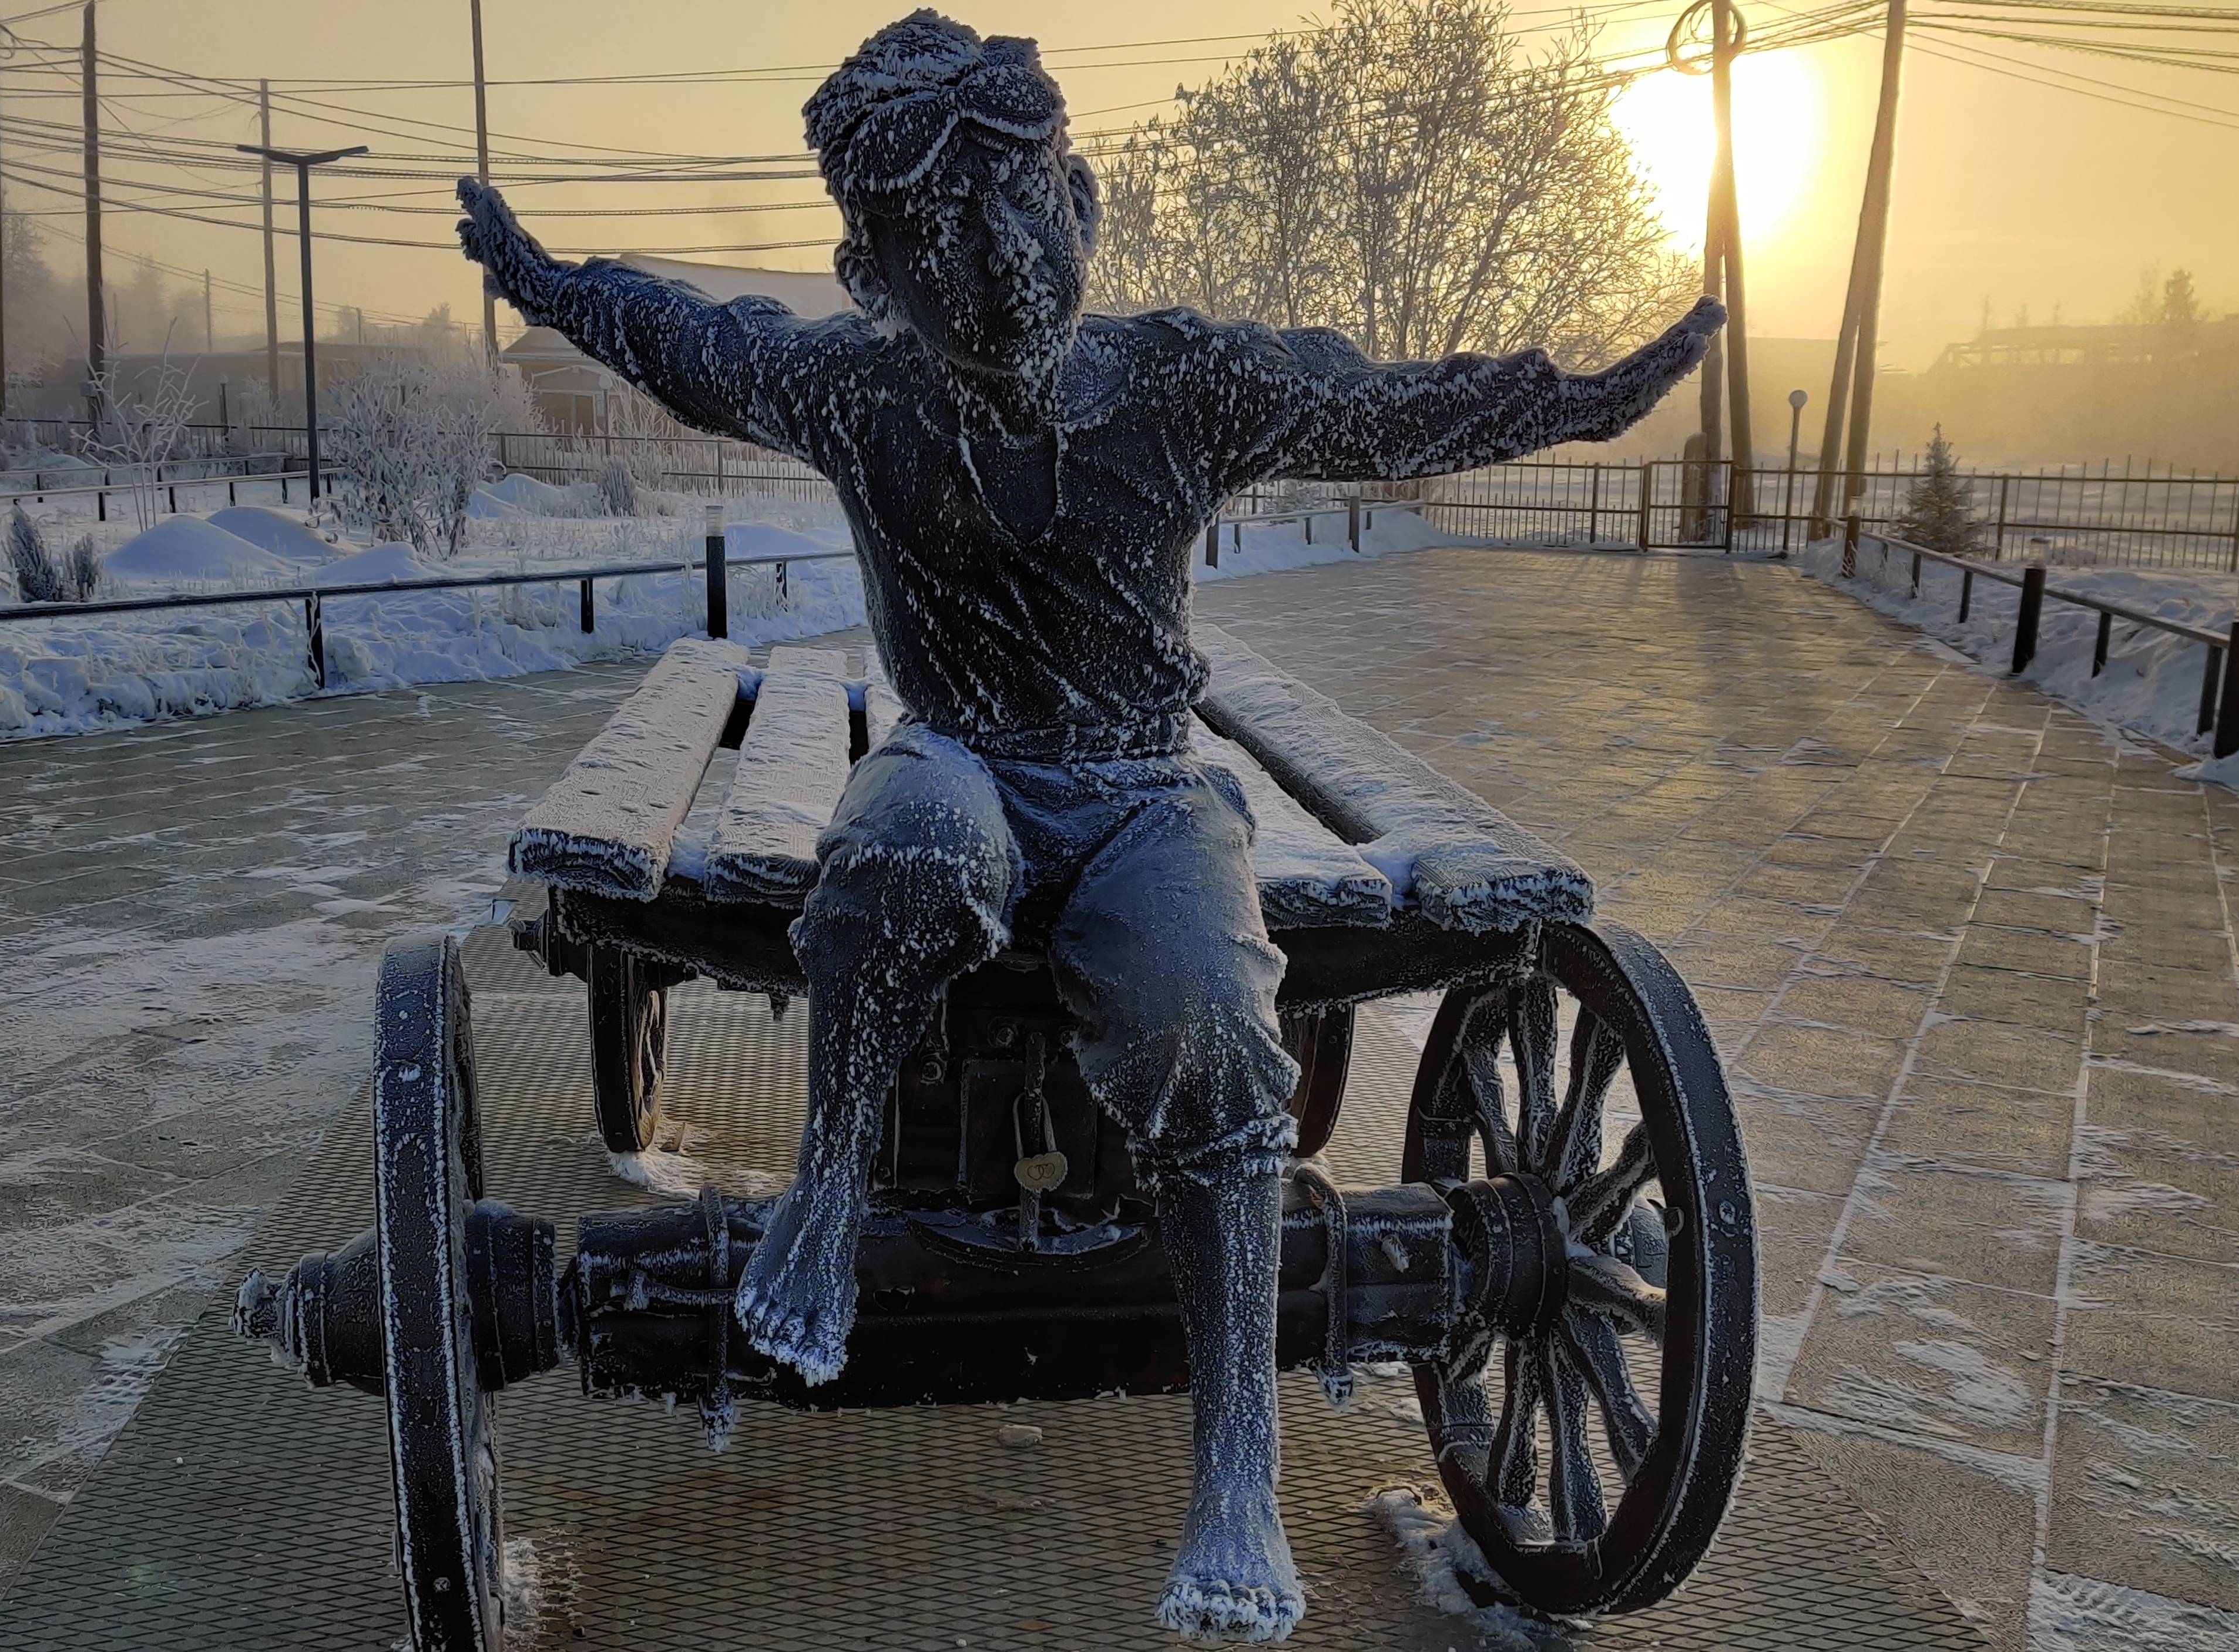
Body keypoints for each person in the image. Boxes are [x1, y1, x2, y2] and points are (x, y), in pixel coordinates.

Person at [458, 11, 1719, 1640]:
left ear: (1089, 202)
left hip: (1138, 784)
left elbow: (1387, 409)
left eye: (1018, 203)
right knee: (898, 852)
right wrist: (548, 280)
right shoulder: (858, 392)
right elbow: (690, 338)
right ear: (868, 276)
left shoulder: (1187, 381)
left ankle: (1237, 1467)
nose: (989, 263)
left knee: (1210, 1008)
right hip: (963, 750)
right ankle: (833, 1188)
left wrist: (1577, 401)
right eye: (928, 231)